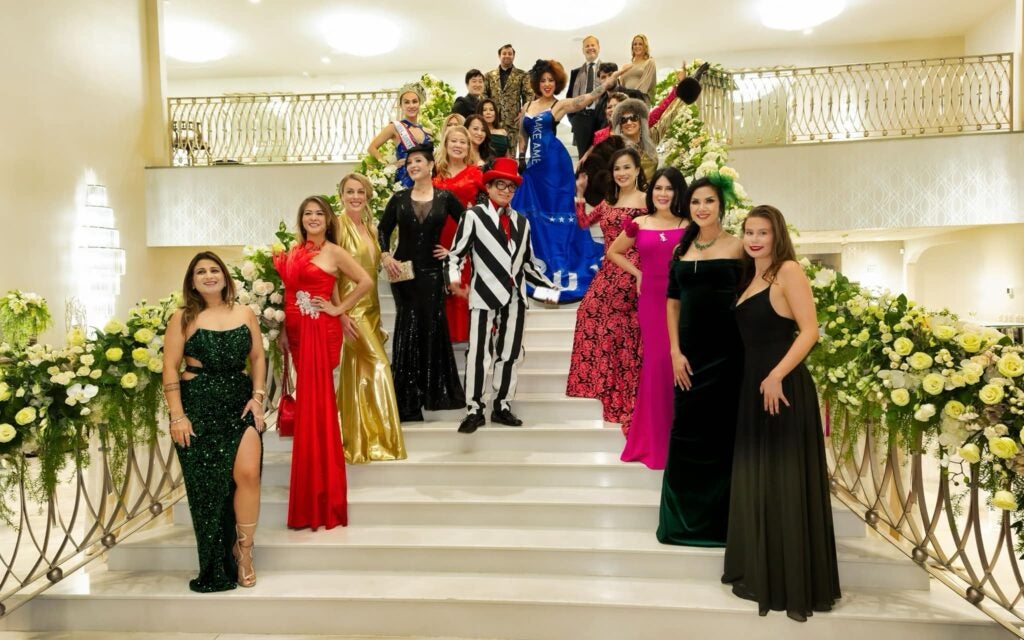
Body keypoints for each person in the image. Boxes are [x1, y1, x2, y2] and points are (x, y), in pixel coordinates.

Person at [723, 205, 841, 622]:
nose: (754, 239)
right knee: (762, 482)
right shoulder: (751, 274)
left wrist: (775, 375)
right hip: (755, 387)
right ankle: (762, 570)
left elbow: (810, 330)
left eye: (763, 233)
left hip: (783, 387)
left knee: (784, 484)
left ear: (777, 237)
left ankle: (791, 583)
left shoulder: (788, 270)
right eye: (749, 231)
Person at [162, 251, 266, 592]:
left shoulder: (245, 312)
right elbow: (170, 368)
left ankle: (245, 552)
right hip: (198, 409)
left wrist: (259, 396)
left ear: (225, 276)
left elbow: (258, 357)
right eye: (201, 272)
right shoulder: (181, 318)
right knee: (208, 493)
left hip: (239, 403)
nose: (209, 275)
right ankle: (216, 560)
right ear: (192, 281)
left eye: (214, 269)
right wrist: (177, 415)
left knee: (248, 474)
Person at [274, 195, 373, 530]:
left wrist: (338, 309)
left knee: (318, 406)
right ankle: (308, 487)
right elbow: (291, 289)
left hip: (319, 329)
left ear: (328, 219)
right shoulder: (294, 250)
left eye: (319, 213)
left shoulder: (334, 250)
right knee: (308, 406)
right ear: (301, 219)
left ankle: (321, 495)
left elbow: (365, 281)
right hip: (297, 332)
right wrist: (284, 331)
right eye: (307, 214)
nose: (313, 218)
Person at [657, 175, 745, 546]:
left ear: (721, 205)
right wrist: (675, 351)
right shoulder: (682, 248)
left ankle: (720, 524)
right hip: (688, 357)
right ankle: (680, 523)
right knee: (686, 432)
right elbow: (672, 303)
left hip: (728, 354)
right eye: (695, 202)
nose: (702, 208)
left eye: (708, 201)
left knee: (722, 435)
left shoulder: (740, 247)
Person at [447, 157, 560, 434]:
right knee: (477, 354)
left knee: (510, 353)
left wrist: (550, 291)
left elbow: (528, 264)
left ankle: (502, 405)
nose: (506, 191)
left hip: (516, 299)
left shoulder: (522, 222)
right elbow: (455, 256)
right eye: (501, 185)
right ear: (489, 186)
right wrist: (453, 282)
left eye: (511, 187)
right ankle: (474, 408)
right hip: (483, 295)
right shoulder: (473, 216)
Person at [511, 58, 628, 304]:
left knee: (560, 212)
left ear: (557, 83)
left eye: (551, 81)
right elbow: (522, 136)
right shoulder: (528, 106)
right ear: (536, 82)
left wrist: (612, 79)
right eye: (543, 80)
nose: (546, 84)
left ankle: (564, 260)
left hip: (556, 164)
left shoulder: (559, 105)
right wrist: (520, 159)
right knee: (532, 211)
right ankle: (537, 257)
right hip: (534, 167)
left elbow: (586, 99)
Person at [608, 167, 689, 469]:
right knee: (658, 364)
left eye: (669, 188)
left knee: (679, 363)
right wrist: (638, 273)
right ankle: (653, 441)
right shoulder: (638, 223)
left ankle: (680, 437)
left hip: (683, 301)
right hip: (652, 301)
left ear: (678, 192)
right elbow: (614, 253)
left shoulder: (689, 224)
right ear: (651, 191)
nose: (663, 194)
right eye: (658, 188)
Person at [379, 143, 467, 421]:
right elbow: (383, 230)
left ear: (430, 165)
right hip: (402, 274)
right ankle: (407, 402)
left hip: (431, 272)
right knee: (407, 330)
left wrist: (453, 251)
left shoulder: (445, 197)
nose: (413, 166)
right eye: (409, 163)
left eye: (418, 161)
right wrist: (384, 255)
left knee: (431, 329)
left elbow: (468, 224)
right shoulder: (399, 199)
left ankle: (434, 394)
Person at [566, 148, 646, 433]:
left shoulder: (648, 202)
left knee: (621, 326)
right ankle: (607, 381)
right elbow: (584, 222)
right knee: (587, 313)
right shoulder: (608, 202)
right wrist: (579, 193)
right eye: (617, 169)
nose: (622, 173)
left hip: (635, 268)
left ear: (637, 170)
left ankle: (625, 384)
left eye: (627, 168)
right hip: (610, 268)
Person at [335, 173, 407, 463]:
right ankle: (384, 440)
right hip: (352, 311)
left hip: (372, 307)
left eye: (360, 192)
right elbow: (329, 274)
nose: (355, 197)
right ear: (341, 195)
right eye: (350, 191)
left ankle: (361, 440)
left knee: (360, 374)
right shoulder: (337, 227)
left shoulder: (369, 227)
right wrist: (340, 313)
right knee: (379, 365)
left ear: (367, 196)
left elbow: (373, 267)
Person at [433, 126, 483, 344]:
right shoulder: (436, 175)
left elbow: (486, 209)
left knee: (463, 280)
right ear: (445, 144)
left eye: (463, 142)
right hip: (439, 235)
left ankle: (468, 332)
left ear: (469, 146)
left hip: (465, 236)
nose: (458, 145)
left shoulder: (476, 173)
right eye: (453, 141)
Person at [366, 83, 430, 188]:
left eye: (414, 101)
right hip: (404, 180)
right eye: (406, 102)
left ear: (419, 104)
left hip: (424, 181)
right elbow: (371, 148)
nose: (411, 105)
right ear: (401, 106)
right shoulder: (395, 127)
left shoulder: (427, 131)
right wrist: (388, 166)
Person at [483, 44, 533, 153]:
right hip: (493, 123)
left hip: (513, 123)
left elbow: (529, 95)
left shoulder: (522, 75)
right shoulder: (489, 75)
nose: (507, 56)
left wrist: (523, 113)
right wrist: (486, 113)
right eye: (504, 53)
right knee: (490, 154)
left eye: (510, 54)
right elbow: (484, 96)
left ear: (514, 56)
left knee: (510, 157)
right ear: (499, 56)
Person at [566, 35, 603, 157]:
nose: (590, 48)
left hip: (602, 119)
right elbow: (569, 98)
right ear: (583, 50)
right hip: (581, 120)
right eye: (587, 46)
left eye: (593, 45)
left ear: (598, 47)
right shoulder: (576, 73)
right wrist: (574, 120)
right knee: (584, 159)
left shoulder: (607, 69)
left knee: (602, 156)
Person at [621, 34, 657, 101]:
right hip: (625, 101)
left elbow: (646, 84)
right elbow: (621, 86)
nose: (637, 46)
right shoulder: (626, 66)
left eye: (640, 44)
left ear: (645, 47)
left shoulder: (649, 62)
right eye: (635, 44)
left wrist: (632, 96)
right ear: (632, 47)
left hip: (640, 100)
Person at [593, 63, 621, 131]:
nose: (607, 79)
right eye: (603, 77)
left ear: (617, 76)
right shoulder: (599, 105)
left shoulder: (632, 95)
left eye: (610, 75)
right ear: (600, 81)